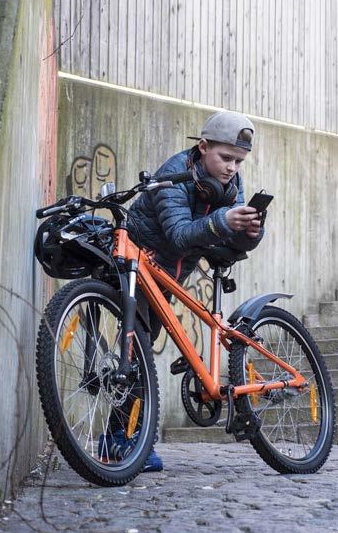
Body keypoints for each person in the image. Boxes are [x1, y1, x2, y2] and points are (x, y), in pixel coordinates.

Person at [101, 111, 265, 471]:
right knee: (136, 353)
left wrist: (251, 232)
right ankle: (119, 440)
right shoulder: (172, 177)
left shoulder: (228, 185)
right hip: (139, 268)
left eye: (239, 161)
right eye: (225, 158)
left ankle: (122, 439)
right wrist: (224, 220)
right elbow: (178, 234)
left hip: (169, 276)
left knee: (139, 354)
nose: (232, 168)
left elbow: (228, 235)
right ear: (203, 147)